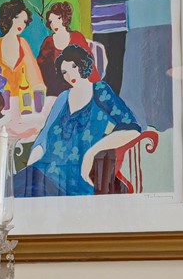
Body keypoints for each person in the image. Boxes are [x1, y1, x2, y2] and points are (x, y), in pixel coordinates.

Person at [22, 45, 143, 197]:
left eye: (73, 66)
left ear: (83, 64)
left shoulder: (100, 90)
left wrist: (92, 152)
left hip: (74, 181)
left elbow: (132, 129)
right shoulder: (62, 97)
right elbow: (43, 139)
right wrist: (29, 172)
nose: (69, 74)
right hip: (42, 173)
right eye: (64, 72)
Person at [0, 0, 47, 120]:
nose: (21, 24)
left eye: (24, 21)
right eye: (17, 18)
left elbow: (36, 80)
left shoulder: (23, 44)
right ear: (9, 17)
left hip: (23, 108)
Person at [37, 1, 104, 96]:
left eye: (58, 18)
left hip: (80, 86)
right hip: (59, 90)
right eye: (51, 21)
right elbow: (40, 66)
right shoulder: (49, 42)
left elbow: (89, 63)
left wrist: (97, 88)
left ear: (65, 18)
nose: (54, 24)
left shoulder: (77, 36)